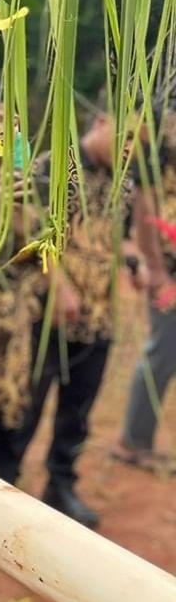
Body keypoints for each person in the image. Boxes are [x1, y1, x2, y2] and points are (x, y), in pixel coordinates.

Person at [0, 109, 146, 529]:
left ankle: (60, 483)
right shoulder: (54, 166)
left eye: (137, 146)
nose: (130, 151)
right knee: (25, 405)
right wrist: (59, 285)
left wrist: (129, 260)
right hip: (44, 312)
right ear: (102, 121)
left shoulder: (123, 179)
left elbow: (112, 233)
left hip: (99, 315)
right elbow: (28, 231)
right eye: (126, 138)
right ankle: (0, 494)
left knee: (79, 407)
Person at [112, 107, 176, 472]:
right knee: (162, 355)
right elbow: (145, 218)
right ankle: (132, 443)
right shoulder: (153, 158)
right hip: (166, 272)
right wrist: (157, 271)